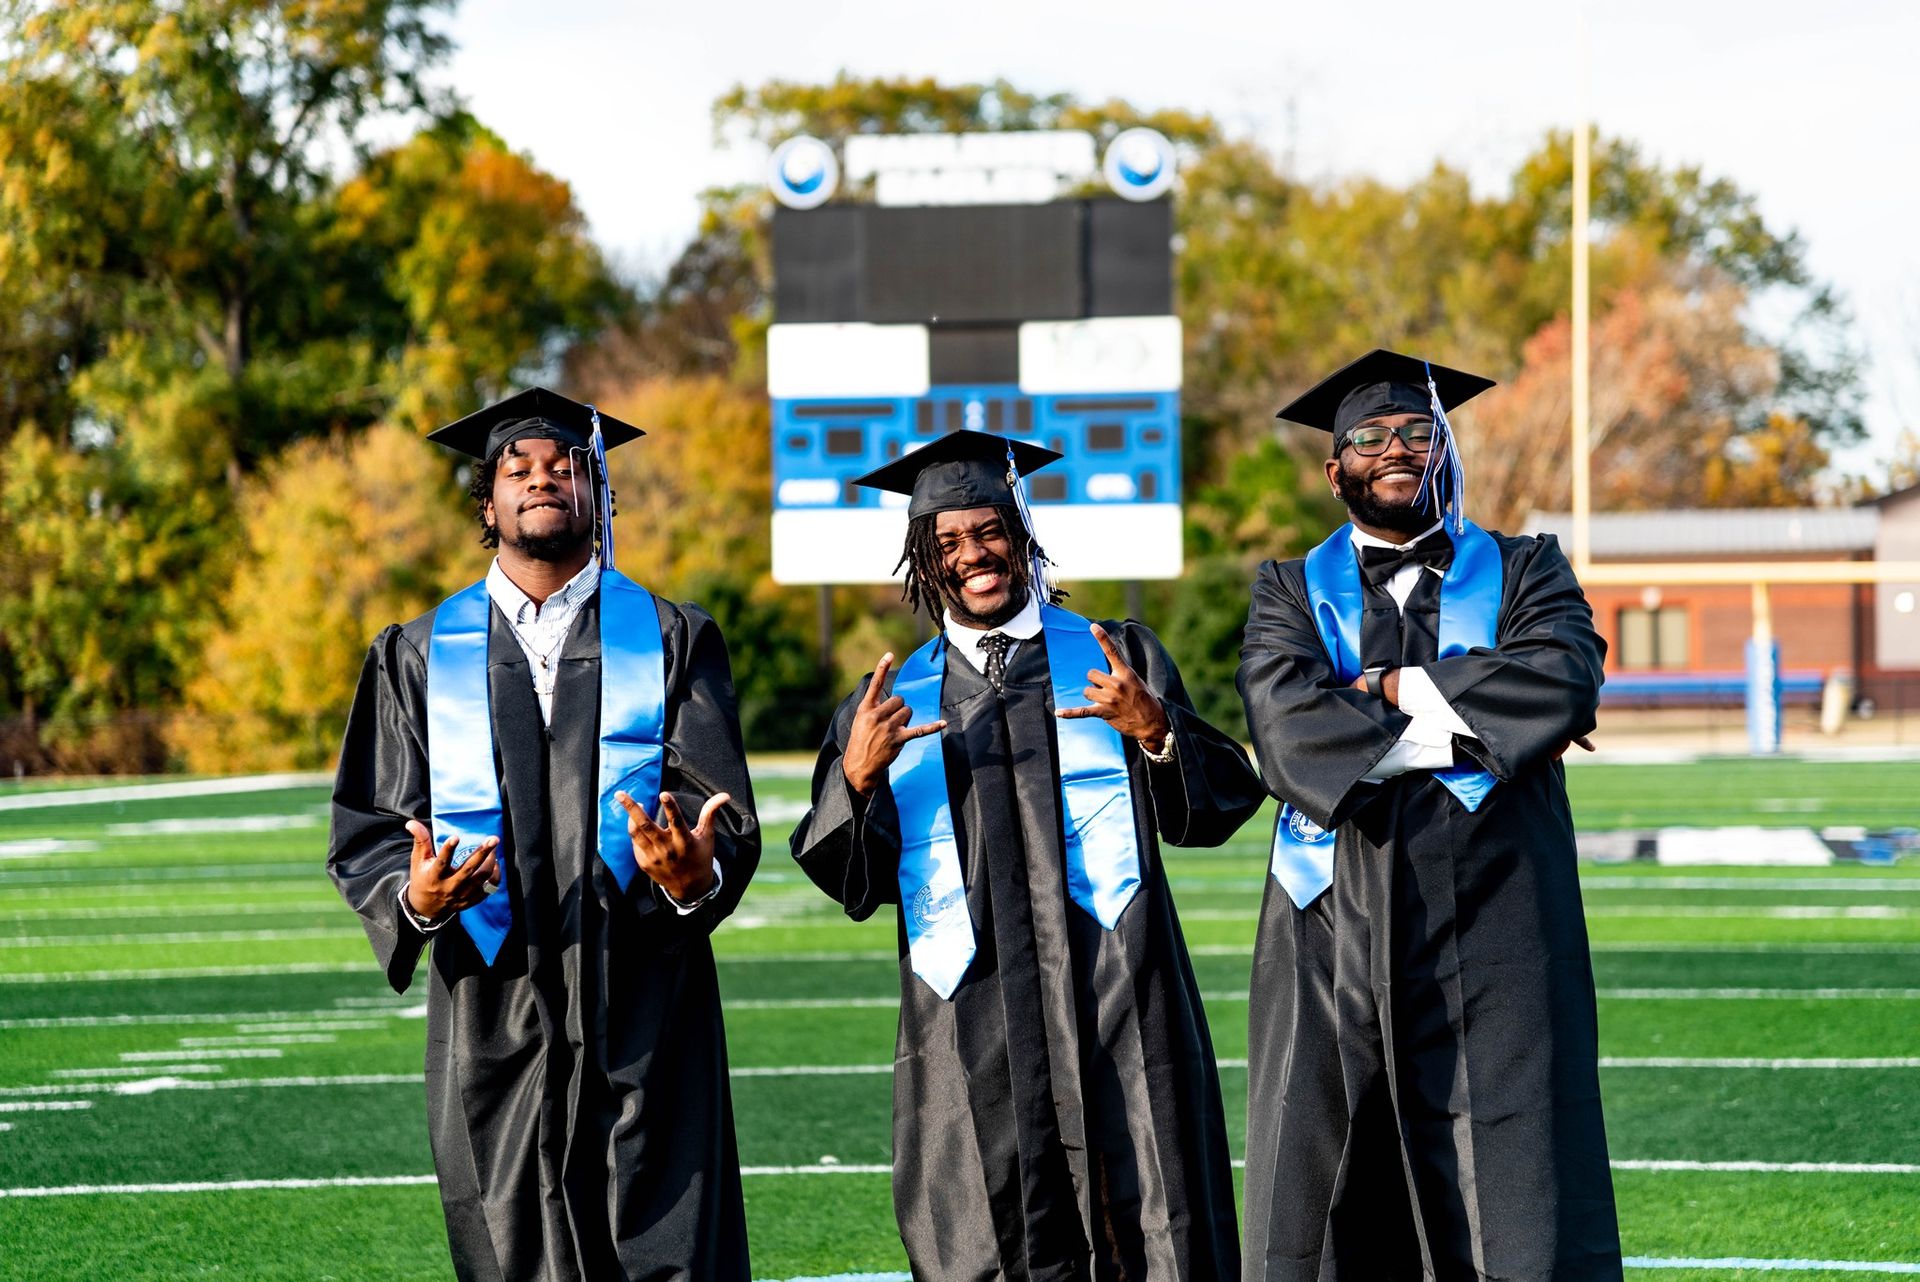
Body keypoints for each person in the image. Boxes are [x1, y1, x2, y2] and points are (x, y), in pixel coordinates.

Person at [789, 429, 1264, 1281]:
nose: (974, 554)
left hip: (1119, 999)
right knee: (988, 1237)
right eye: (948, 543)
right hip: (967, 1024)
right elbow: (847, 880)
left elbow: (1218, 805)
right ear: (924, 565)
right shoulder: (891, 704)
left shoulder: (1118, 657)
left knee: (1154, 1229)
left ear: (1021, 531)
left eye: (989, 530)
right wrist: (856, 782)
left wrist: (1156, 732)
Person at [327, 387, 759, 1282]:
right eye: (516, 468)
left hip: (647, 1010)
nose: (543, 479)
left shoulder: (674, 639)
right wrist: (415, 898)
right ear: (486, 505)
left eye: (567, 465)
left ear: (600, 493)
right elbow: (370, 827)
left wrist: (690, 877)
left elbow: (722, 814)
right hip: (496, 1015)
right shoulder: (416, 656)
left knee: (667, 1250)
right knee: (516, 1253)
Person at [1235, 349, 1620, 1281]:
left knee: (1516, 1165)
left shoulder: (1528, 568)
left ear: (1448, 446)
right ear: (1337, 471)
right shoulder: (1287, 591)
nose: (1396, 449)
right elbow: (1287, 734)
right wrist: (1471, 723)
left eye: (1418, 431)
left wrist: (1383, 688)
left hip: (1501, 912)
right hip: (1333, 919)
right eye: (1370, 437)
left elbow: (1564, 681)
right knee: (1327, 1164)